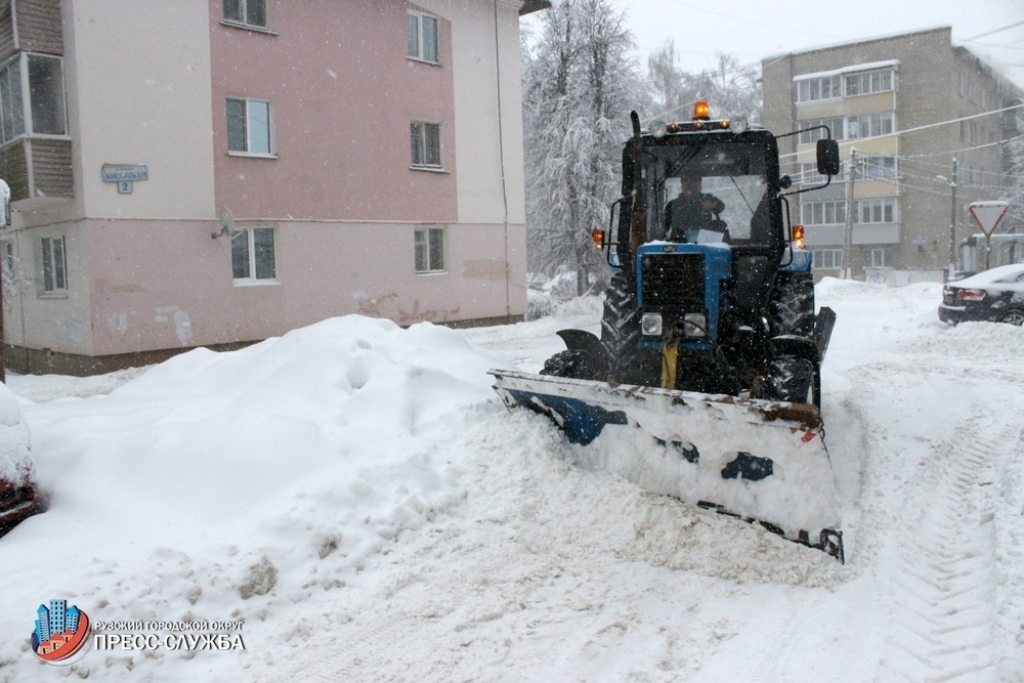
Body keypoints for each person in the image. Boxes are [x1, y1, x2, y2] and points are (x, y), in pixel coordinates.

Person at [663, 174, 726, 242]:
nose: (689, 185)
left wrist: (713, 205)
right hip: (679, 246)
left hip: (706, 245)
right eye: (686, 182)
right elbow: (664, 226)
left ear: (700, 186)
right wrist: (660, 231)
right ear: (682, 187)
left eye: (693, 182)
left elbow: (721, 206)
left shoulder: (708, 198)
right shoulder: (672, 205)